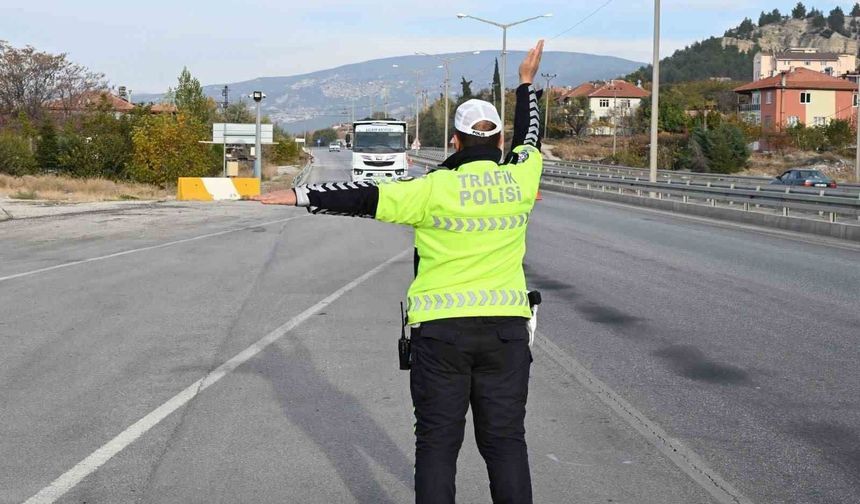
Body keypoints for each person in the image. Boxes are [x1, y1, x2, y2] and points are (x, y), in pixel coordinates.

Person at [253, 40, 545, 504]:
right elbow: (532, 138)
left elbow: (363, 196)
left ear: (455, 141)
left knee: (436, 446)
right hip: (506, 334)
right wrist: (527, 85)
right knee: (506, 443)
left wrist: (299, 196)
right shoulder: (523, 178)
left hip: (441, 337)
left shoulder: (430, 190)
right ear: (500, 143)